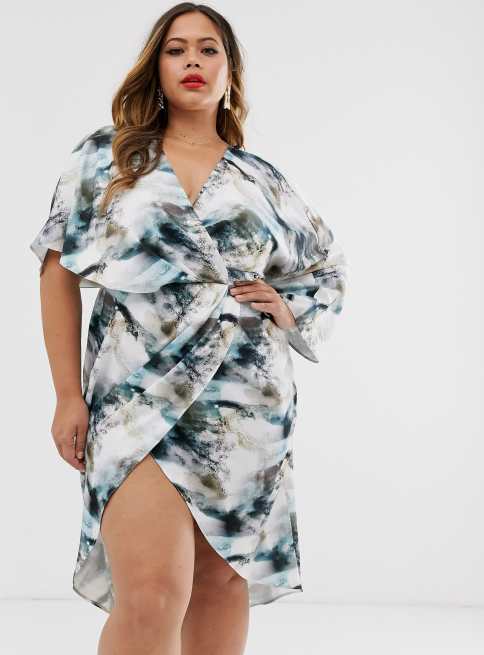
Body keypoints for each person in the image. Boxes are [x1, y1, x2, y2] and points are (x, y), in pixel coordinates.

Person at [29, 3, 348, 654]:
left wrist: (287, 306)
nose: (192, 62)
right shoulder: (108, 158)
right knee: (151, 595)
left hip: (245, 404)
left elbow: (326, 267)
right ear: (156, 67)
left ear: (230, 73)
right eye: (176, 50)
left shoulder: (261, 179)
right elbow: (58, 273)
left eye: (209, 50)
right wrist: (66, 394)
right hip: (134, 397)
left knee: (220, 585)